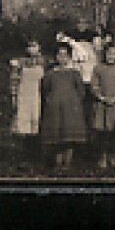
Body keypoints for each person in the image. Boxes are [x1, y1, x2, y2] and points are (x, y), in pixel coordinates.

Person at [38, 43, 88, 173]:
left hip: (71, 108)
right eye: (59, 55)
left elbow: (81, 91)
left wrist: (75, 103)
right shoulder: (50, 74)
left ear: (70, 57)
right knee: (56, 135)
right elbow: (45, 90)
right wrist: (50, 101)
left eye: (65, 55)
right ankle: (58, 163)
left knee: (69, 135)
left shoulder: (74, 73)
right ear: (55, 57)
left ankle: (67, 163)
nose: (62, 58)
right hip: (54, 108)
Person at [86, 41, 115, 168]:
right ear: (104, 54)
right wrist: (102, 97)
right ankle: (102, 155)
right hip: (102, 104)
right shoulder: (98, 68)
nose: (111, 56)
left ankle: (113, 155)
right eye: (109, 53)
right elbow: (94, 86)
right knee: (103, 132)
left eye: (114, 54)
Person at [9, 39, 47, 142]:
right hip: (24, 95)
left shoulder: (44, 62)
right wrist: (14, 97)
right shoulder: (19, 63)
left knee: (37, 120)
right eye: (30, 47)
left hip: (38, 95)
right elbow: (14, 81)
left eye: (35, 46)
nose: (32, 49)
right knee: (23, 123)